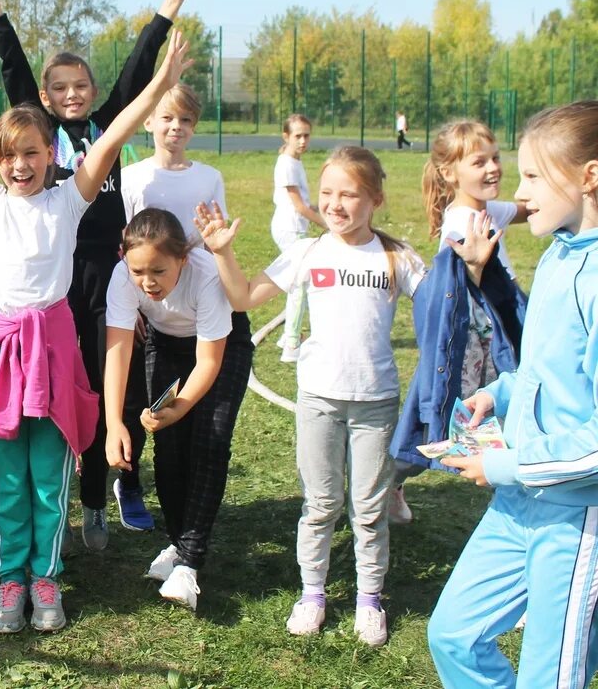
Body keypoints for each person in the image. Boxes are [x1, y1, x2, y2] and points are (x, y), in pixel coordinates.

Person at [0, 30, 193, 633]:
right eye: (8, 155)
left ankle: (46, 578)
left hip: (51, 351)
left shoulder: (68, 201)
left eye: (32, 153)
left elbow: (120, 131)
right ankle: (10, 580)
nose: (19, 165)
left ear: (54, 154)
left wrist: (158, 82)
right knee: (9, 479)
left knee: (50, 476)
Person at [194, 146, 493, 647]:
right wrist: (222, 252)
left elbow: (448, 306)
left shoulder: (397, 257)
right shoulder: (308, 252)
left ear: (374, 199)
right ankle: (312, 593)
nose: (334, 204)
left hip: (375, 403)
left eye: (348, 194)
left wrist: (476, 268)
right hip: (318, 401)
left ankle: (368, 600)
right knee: (321, 503)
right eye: (327, 193)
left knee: (369, 508)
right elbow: (243, 297)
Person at [0, 0, 197, 552]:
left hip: (105, 274)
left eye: (81, 86)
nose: (72, 95)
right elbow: (12, 60)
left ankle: (102, 495)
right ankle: (54, 505)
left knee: (104, 389)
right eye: (60, 88)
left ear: (93, 93)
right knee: (48, 396)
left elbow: (139, 71)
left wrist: (170, 1)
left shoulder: (104, 126)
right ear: (43, 99)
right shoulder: (36, 134)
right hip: (51, 285)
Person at [428, 101, 598, 688]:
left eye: (531, 175)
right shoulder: (559, 253)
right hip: (517, 501)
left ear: (589, 177)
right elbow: (548, 366)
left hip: (575, 519)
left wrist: (505, 464)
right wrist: (500, 393)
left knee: (547, 677)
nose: (518, 193)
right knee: (452, 634)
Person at [113, 82, 251, 537]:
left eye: (186, 120)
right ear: (148, 121)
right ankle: (160, 515)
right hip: (157, 315)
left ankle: (189, 537)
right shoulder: (133, 178)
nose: (175, 127)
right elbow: (128, 247)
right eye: (166, 118)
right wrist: (138, 299)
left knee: (206, 435)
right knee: (160, 427)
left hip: (202, 308)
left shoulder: (208, 176)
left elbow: (214, 243)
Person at [388, 120, 531, 523]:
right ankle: (388, 481)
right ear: (450, 173)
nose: (493, 168)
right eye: (479, 161)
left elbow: (529, 208)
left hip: (495, 332)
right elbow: (459, 288)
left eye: (496, 158)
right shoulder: (461, 222)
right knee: (447, 421)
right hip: (468, 340)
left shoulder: (490, 209)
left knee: (482, 419)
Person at [103, 208, 239, 612]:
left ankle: (190, 562)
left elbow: (210, 362)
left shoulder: (206, 274)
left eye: (159, 271)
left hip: (221, 349)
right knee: (169, 448)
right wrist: (114, 423)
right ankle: (179, 544)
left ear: (182, 258)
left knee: (209, 444)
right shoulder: (122, 278)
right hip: (167, 343)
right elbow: (119, 349)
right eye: (139, 271)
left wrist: (180, 407)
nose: (148, 282)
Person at [270, 114, 321, 363]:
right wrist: (330, 226)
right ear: (286, 136)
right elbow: (300, 207)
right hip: (290, 228)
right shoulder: (287, 164)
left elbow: (308, 204)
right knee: (300, 283)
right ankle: (291, 343)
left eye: (306, 135)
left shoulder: (295, 162)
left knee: (298, 281)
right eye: (297, 136)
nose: (302, 141)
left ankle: (287, 335)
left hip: (295, 227)